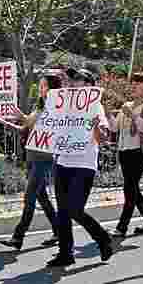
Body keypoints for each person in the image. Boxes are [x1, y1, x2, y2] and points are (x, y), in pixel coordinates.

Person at [46, 68, 114, 268]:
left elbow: (103, 139)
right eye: (72, 79)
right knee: (63, 212)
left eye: (79, 79)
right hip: (63, 162)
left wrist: (95, 126)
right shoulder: (63, 105)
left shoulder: (96, 107)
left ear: (89, 85)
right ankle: (65, 253)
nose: (73, 82)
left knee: (75, 209)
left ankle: (102, 238)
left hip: (84, 164)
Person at [0, 73, 63, 250]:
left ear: (54, 88)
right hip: (31, 157)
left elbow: (36, 125)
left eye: (44, 86)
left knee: (29, 197)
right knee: (42, 198)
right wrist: (1, 120)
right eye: (40, 86)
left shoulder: (57, 109)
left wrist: (21, 116)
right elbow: (24, 129)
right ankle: (59, 231)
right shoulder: (38, 107)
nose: (41, 89)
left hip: (43, 159)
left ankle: (18, 237)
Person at [109, 72, 143, 239]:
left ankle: (122, 227)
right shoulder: (127, 105)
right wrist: (108, 113)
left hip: (139, 151)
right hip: (124, 151)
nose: (133, 87)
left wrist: (133, 115)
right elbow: (115, 128)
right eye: (132, 84)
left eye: (137, 85)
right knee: (132, 188)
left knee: (129, 188)